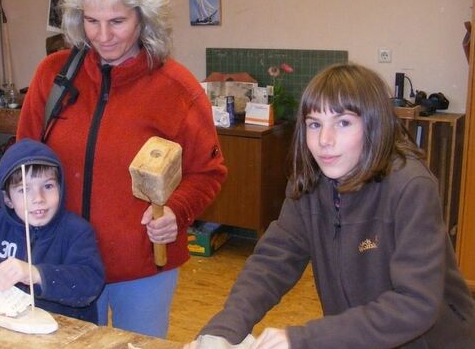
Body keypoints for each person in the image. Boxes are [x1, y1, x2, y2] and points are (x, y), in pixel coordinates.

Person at [188, 63, 475, 349]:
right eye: (315, 124)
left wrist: (304, 339)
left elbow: (416, 303)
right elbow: (273, 260)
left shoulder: (410, 187)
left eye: (343, 122)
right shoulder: (310, 183)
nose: (324, 140)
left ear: (374, 125)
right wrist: (225, 329)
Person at [17, 0, 227, 338]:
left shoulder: (176, 89)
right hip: (63, 264)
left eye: (117, 21)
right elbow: (22, 162)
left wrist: (176, 211)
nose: (102, 36)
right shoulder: (52, 77)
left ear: (143, 17)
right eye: (91, 21)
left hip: (143, 269)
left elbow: (208, 173)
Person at [0, 138, 105, 323]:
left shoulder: (77, 231)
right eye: (24, 190)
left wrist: (35, 274)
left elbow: (90, 282)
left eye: (48, 186)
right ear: (8, 199)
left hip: (66, 331)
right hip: (11, 326)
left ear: (61, 187)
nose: (38, 198)